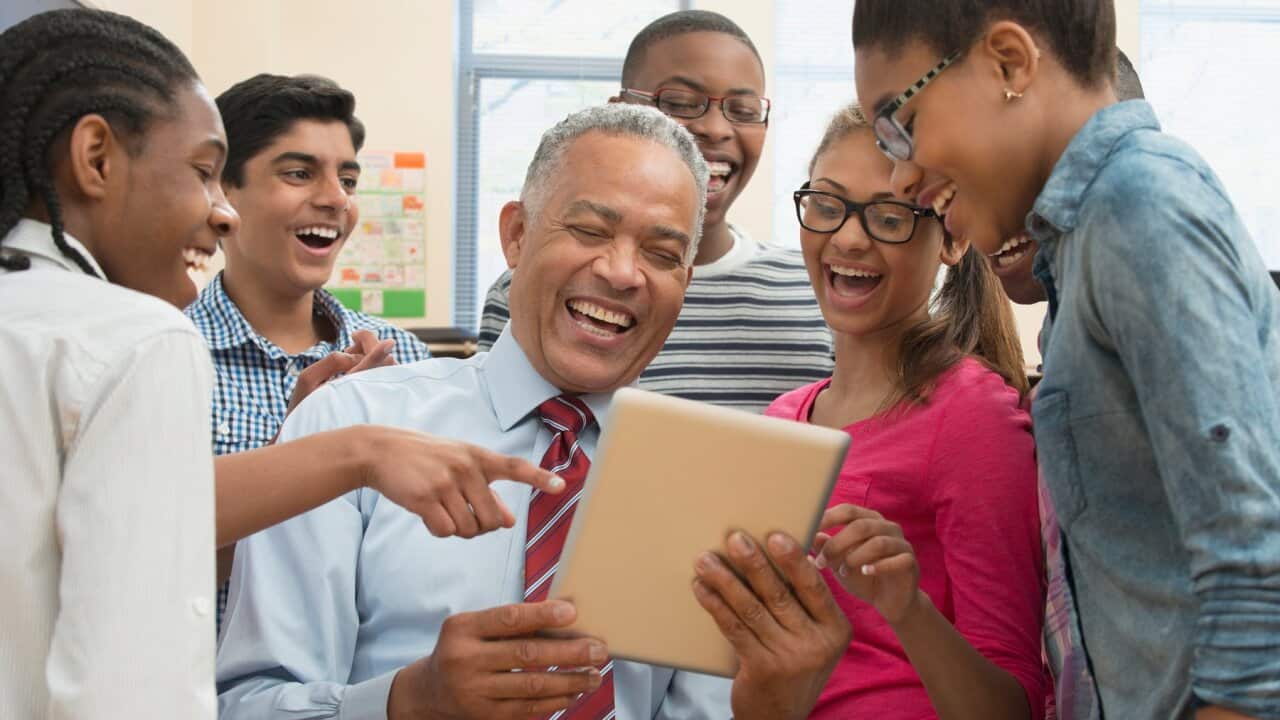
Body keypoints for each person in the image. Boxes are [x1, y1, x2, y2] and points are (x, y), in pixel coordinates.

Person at [217, 104, 851, 720]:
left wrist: (772, 702)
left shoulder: (711, 481)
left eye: (662, 254)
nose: (622, 271)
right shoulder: (350, 427)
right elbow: (243, 706)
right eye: (590, 230)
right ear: (516, 236)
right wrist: (408, 702)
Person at [851, 2, 1280, 718]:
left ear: (1010, 63)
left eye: (902, 123)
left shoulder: (1140, 208)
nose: (900, 178)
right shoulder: (1076, 257)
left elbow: (1254, 563)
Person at [769, 103, 1046, 719]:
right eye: (826, 204)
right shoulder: (781, 421)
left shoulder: (972, 415)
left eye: (890, 216)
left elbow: (1013, 705)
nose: (847, 237)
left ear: (952, 236)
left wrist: (907, 608)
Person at [0, 9, 233, 717]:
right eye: (204, 172)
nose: (226, 214)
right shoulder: (138, 342)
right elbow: (132, 690)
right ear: (96, 156)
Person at [477, 9, 833, 412]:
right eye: (681, 102)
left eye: (744, 110)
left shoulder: (815, 292)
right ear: (622, 111)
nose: (717, 128)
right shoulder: (530, 285)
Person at [184, 72, 432, 632]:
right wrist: (300, 448)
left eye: (347, 178)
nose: (334, 198)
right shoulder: (170, 357)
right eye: (299, 173)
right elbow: (153, 568)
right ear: (224, 190)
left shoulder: (409, 361)